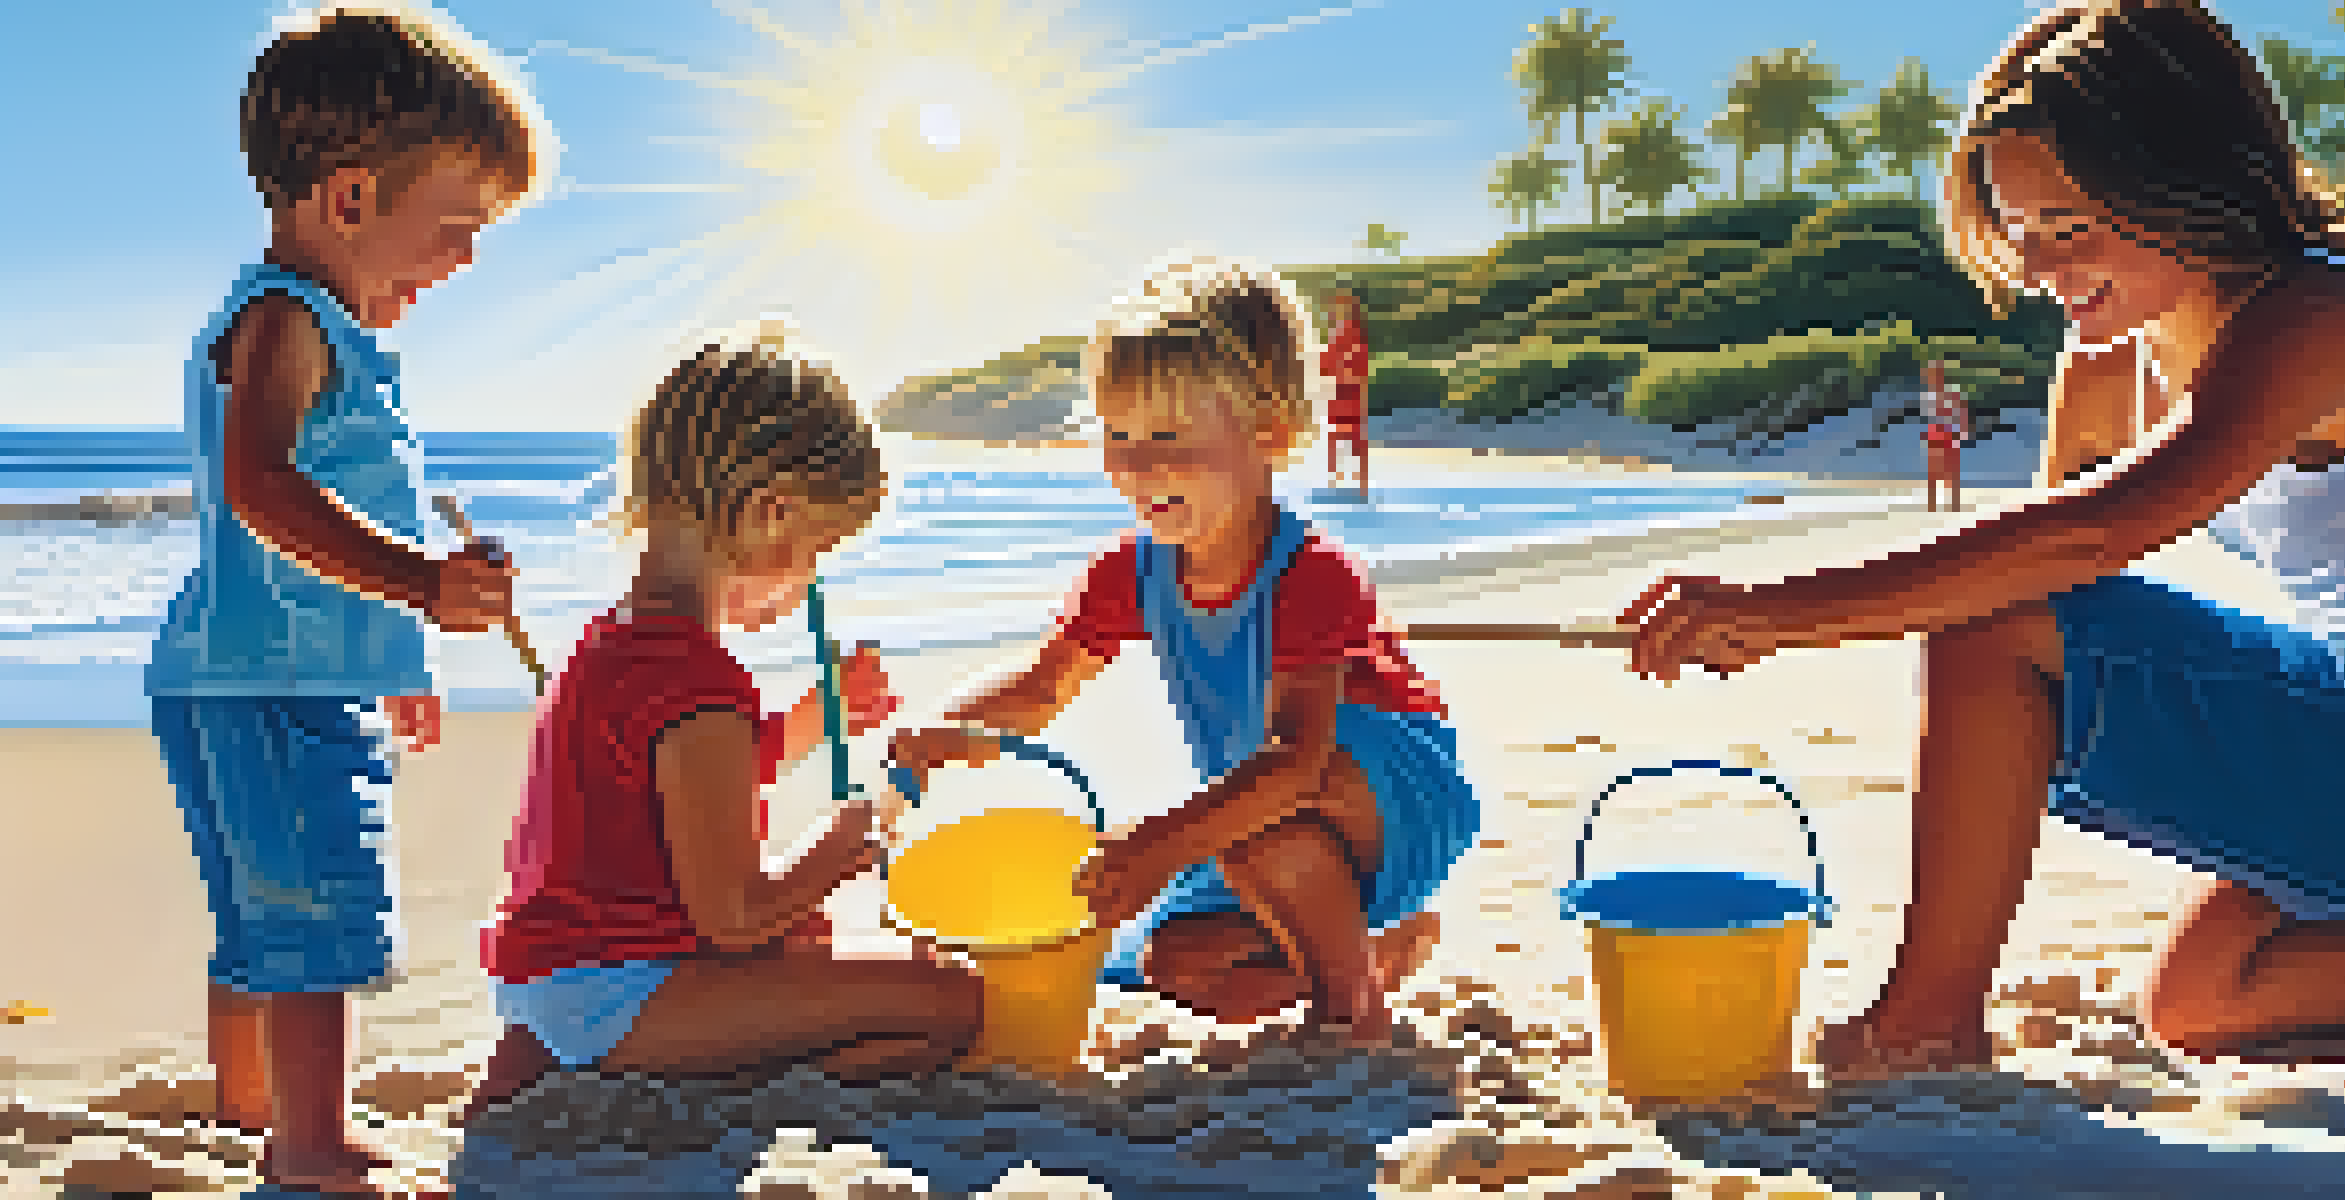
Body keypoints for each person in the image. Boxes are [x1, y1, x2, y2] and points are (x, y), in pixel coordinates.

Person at [1619, 0, 2345, 1084]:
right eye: (2018, 230)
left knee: (1992, 614)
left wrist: (1777, 613)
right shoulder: (2106, 361)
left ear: (2189, 181)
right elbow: (2039, 586)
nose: (2038, 267)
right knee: (2199, 1002)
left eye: (2069, 227)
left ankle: (1925, 1021)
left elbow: (2082, 542)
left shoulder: (2316, 320)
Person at [141, 8, 537, 1192]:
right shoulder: (287, 322)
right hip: (277, 680)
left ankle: (251, 1111)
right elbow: (265, 489)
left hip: (250, 666)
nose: (462, 262)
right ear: (352, 199)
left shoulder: (317, 326)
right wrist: (421, 584)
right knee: (315, 909)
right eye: (455, 230)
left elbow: (327, 522)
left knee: (263, 909)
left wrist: (401, 651)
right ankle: (308, 1143)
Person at [887, 259, 1475, 1045]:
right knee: (1180, 965)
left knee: (1262, 815)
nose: (1133, 466)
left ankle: (1352, 1010)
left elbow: (1300, 763)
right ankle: (1370, 954)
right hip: (1253, 820)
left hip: (1383, 800)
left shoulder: (1311, 576)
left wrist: (1161, 844)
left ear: (1268, 434)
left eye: (1165, 436)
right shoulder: (1130, 572)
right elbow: (1041, 690)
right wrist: (949, 730)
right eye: (1117, 435)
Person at [466, 327, 982, 1120]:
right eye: (818, 548)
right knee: (950, 1000)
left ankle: (566, 1056)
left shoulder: (611, 642)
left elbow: (683, 787)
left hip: (547, 979)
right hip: (629, 991)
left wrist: (814, 717)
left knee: (805, 940)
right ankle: (714, 1081)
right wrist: (836, 853)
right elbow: (733, 917)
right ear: (769, 514)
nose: (810, 576)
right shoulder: (699, 679)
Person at [1320, 291, 1372, 497]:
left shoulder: (1352, 335)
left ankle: (1358, 483)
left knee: (1353, 439)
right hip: (1340, 395)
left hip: (1350, 395)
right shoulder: (1337, 335)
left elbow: (1357, 369)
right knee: (1337, 437)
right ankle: (1337, 480)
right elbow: (1326, 366)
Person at [1921, 360, 1966, 513]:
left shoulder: (1951, 392)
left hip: (1949, 434)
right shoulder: (1928, 395)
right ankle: (1932, 505)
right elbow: (1927, 417)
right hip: (1934, 435)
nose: (1930, 378)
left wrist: (1960, 434)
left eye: (1933, 374)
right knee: (1933, 472)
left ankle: (1954, 504)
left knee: (1952, 471)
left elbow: (1961, 411)